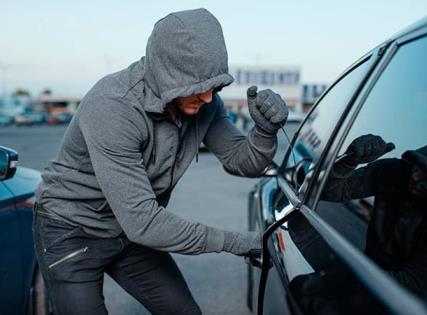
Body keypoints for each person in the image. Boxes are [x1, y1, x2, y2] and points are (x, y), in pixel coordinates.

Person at [32, 8, 288, 315]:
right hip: (71, 231)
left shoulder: (204, 102)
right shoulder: (113, 106)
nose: (208, 97)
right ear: (169, 73)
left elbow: (242, 162)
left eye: (215, 86)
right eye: (198, 85)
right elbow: (144, 221)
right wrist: (238, 242)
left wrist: (264, 131)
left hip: (129, 233)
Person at [322, 134, 427, 297]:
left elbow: (413, 283)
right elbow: (329, 191)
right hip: (362, 283)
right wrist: (349, 160)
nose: (416, 176)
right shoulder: (395, 172)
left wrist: (346, 280)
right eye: (420, 166)